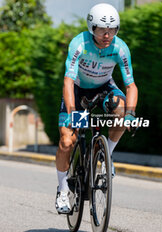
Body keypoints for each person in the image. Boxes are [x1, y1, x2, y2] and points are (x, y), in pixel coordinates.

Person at [55, 3, 138, 214]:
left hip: (104, 90)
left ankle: (106, 157)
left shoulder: (120, 48)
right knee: (67, 141)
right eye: (102, 29)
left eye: (113, 30)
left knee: (120, 113)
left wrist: (130, 114)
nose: (107, 34)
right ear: (92, 28)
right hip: (79, 93)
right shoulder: (79, 44)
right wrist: (73, 113)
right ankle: (63, 190)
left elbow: (131, 86)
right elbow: (68, 81)